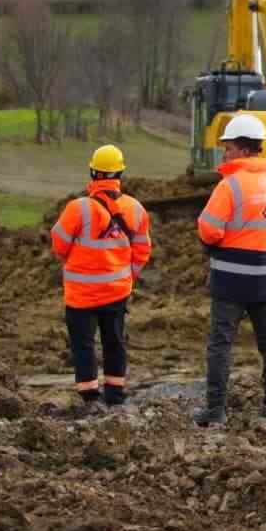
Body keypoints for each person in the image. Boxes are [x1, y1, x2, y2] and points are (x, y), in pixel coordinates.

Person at [193, 114, 266, 427]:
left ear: (242, 149)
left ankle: (215, 410)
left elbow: (208, 230)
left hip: (230, 279)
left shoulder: (229, 186)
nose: (225, 153)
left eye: (228, 147)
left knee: (221, 343)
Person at [50, 144, 152, 408]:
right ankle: (115, 395)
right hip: (117, 293)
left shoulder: (77, 209)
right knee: (114, 342)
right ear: (120, 173)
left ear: (93, 173)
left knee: (83, 345)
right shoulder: (136, 209)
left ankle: (89, 398)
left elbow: (59, 246)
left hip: (80, 296)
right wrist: (127, 277)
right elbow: (142, 251)